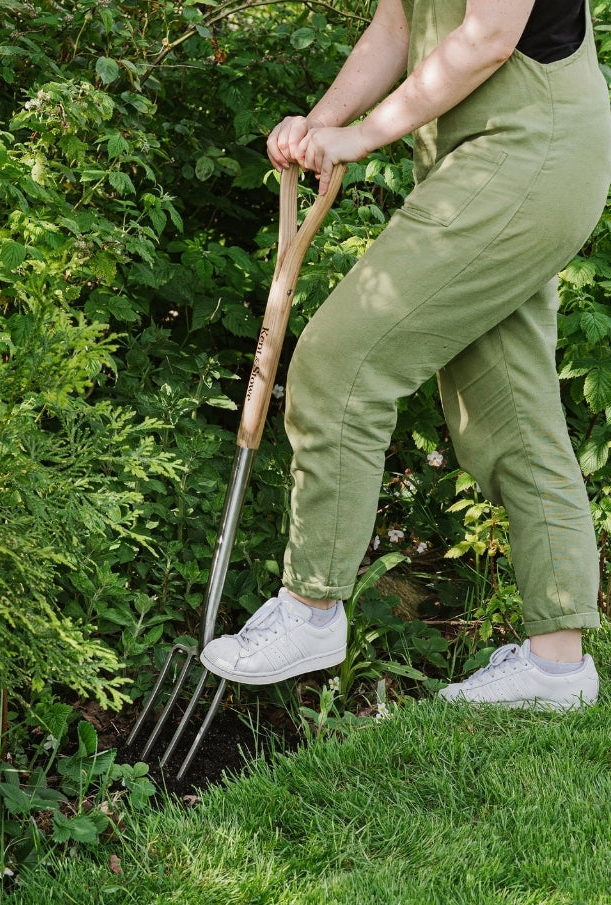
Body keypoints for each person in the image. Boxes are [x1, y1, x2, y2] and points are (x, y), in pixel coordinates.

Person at [200, 0, 611, 709]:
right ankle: (557, 666)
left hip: (530, 149)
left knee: (340, 361)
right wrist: (323, 121)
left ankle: (312, 607)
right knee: (506, 400)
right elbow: (396, 24)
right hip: (483, 155)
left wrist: (360, 136)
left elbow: (487, 38)